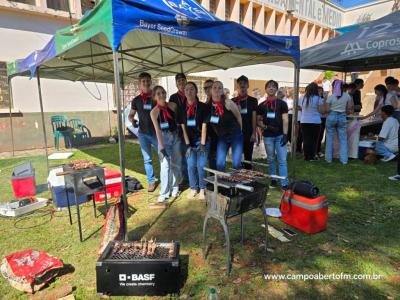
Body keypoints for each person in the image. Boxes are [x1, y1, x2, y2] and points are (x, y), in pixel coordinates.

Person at [150, 86, 182, 204]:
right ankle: (164, 192)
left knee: (175, 164)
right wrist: (161, 146)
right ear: (154, 97)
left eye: (163, 92)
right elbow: (157, 130)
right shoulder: (154, 112)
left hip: (175, 137)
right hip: (163, 138)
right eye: (158, 93)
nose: (162, 95)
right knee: (165, 166)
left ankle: (175, 188)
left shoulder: (173, 106)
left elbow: (178, 122)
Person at [257, 80, 289, 189]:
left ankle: (284, 182)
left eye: (273, 87)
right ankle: (273, 179)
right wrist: (265, 127)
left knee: (282, 160)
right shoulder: (261, 105)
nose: (271, 88)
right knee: (270, 159)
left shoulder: (282, 103)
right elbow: (258, 120)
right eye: (269, 87)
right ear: (265, 89)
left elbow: (285, 119)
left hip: (280, 135)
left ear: (276, 89)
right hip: (268, 136)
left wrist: (285, 134)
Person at [128, 72, 158, 192]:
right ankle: (151, 181)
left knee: (163, 156)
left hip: (156, 133)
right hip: (143, 134)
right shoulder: (136, 100)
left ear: (151, 82)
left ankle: (169, 178)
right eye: (143, 81)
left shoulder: (156, 97)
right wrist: (132, 120)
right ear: (139, 83)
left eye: (147, 80)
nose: (146, 83)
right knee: (147, 159)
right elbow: (131, 115)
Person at [181, 82, 209, 200]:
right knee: (191, 165)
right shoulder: (182, 109)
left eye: (192, 89)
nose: (189, 92)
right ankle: (193, 188)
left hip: (202, 140)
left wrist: (202, 144)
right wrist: (187, 145)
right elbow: (183, 127)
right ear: (184, 92)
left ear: (196, 91)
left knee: (201, 165)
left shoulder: (203, 107)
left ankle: (203, 188)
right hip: (189, 142)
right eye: (187, 89)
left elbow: (204, 126)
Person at [209, 81, 243, 171]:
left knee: (236, 164)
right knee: (219, 164)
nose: (217, 90)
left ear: (222, 91)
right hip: (222, 137)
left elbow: (239, 117)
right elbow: (211, 124)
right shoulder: (208, 106)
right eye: (214, 87)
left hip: (235, 134)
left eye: (220, 88)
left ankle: (238, 183)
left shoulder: (228, 103)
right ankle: (222, 183)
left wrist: (240, 132)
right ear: (211, 90)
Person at [231, 75, 258, 169]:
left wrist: (254, 133)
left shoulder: (253, 100)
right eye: (240, 84)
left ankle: (248, 180)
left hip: (248, 132)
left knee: (248, 157)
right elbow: (231, 119)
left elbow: (254, 117)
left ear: (248, 85)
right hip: (236, 133)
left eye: (244, 84)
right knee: (237, 157)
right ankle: (237, 177)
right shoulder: (232, 101)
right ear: (237, 86)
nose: (242, 86)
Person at [325, 80, 354, 164]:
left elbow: (327, 109)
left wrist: (333, 109)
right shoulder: (347, 96)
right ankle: (344, 160)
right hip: (342, 117)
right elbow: (349, 109)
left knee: (329, 138)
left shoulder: (330, 96)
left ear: (334, 86)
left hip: (331, 116)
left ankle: (328, 159)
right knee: (343, 139)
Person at [169, 73, 189, 186]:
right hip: (179, 131)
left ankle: (192, 175)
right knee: (181, 154)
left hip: (191, 129)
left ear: (186, 81)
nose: (181, 82)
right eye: (179, 81)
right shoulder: (173, 97)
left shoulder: (191, 93)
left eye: (183, 80)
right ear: (176, 84)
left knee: (190, 153)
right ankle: (185, 178)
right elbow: (170, 114)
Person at [299, 83, 326, 161]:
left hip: (304, 121)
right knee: (314, 140)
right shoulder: (318, 98)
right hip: (315, 121)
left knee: (306, 139)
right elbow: (322, 111)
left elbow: (300, 107)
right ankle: (312, 156)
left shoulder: (302, 98)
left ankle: (306, 156)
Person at [203, 79, 218, 169]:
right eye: (205, 88)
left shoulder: (218, 102)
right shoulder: (205, 103)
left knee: (216, 159)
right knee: (210, 158)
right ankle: (213, 180)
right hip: (208, 135)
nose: (207, 89)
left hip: (217, 135)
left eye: (210, 87)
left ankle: (217, 180)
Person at [316, 86, 327, 157]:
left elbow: (326, 108)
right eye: (319, 91)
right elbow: (322, 110)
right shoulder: (315, 99)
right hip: (317, 118)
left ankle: (318, 150)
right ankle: (315, 151)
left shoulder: (323, 99)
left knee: (320, 135)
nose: (320, 92)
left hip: (323, 118)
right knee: (316, 135)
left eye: (321, 91)